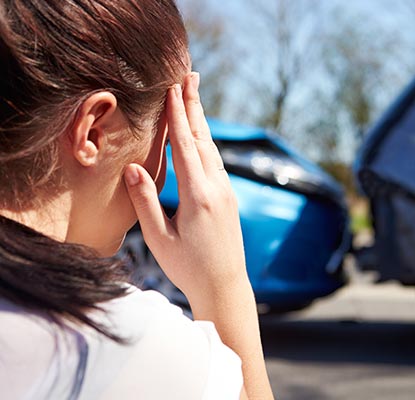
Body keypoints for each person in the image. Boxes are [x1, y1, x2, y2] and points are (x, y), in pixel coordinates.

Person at [0, 1, 273, 399]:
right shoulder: (119, 342)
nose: (165, 174)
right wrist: (224, 285)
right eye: (166, 138)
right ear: (94, 132)